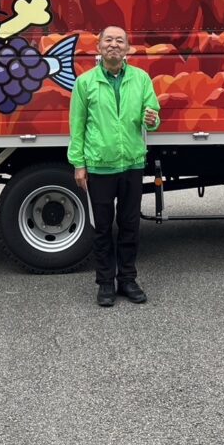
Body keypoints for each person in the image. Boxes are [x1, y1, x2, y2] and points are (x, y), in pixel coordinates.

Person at [68, 26, 160, 307]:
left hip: (132, 163)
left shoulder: (141, 79)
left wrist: (152, 119)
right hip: (99, 166)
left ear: (128, 48)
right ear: (98, 47)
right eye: (108, 40)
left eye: (120, 40)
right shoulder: (85, 83)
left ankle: (128, 280)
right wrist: (79, 164)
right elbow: (77, 127)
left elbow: (153, 117)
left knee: (130, 226)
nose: (114, 44)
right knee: (102, 228)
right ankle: (106, 283)